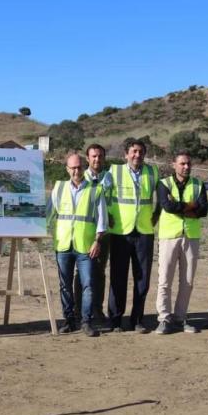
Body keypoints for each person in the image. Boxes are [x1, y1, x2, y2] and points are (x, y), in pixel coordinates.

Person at [106, 138, 160, 333]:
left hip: (144, 232)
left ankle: (137, 320)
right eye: (134, 151)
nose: (137, 155)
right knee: (118, 278)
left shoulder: (153, 172)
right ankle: (115, 320)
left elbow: (161, 196)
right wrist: (108, 217)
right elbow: (102, 195)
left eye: (141, 152)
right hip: (120, 233)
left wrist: (157, 214)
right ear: (126, 154)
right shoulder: (114, 171)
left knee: (142, 279)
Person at [51, 153, 107, 337]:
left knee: (88, 284)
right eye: (72, 167)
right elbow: (50, 214)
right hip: (64, 244)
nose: (76, 171)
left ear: (85, 167)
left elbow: (102, 219)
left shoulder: (95, 190)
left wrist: (97, 241)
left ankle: (86, 321)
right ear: (67, 169)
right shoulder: (58, 188)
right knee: (64, 285)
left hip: (86, 246)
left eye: (79, 167)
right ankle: (69, 320)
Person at [154, 151, 208, 334]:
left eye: (188, 164)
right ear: (173, 164)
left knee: (187, 281)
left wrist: (182, 206)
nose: (186, 167)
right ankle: (164, 318)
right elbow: (167, 206)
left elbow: (204, 210)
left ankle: (180, 317)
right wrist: (191, 205)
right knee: (165, 280)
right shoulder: (164, 183)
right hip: (169, 236)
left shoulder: (198, 184)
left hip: (191, 237)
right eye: (182, 164)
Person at [72, 143, 111, 324]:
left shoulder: (109, 178)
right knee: (81, 274)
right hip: (84, 234)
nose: (97, 159)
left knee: (100, 272)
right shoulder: (80, 176)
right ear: (88, 158)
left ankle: (97, 309)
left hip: (104, 233)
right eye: (93, 156)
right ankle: (78, 310)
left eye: (100, 156)